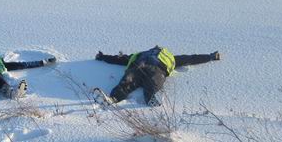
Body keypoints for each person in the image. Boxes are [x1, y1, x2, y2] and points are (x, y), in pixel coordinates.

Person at [92, 45, 220, 106]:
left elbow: (190, 58)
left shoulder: (172, 59)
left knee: (153, 84)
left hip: (157, 70)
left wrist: (210, 57)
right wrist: (103, 57)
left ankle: (152, 100)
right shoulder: (139, 55)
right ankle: (112, 99)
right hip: (138, 68)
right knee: (127, 81)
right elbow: (120, 59)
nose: (157, 49)